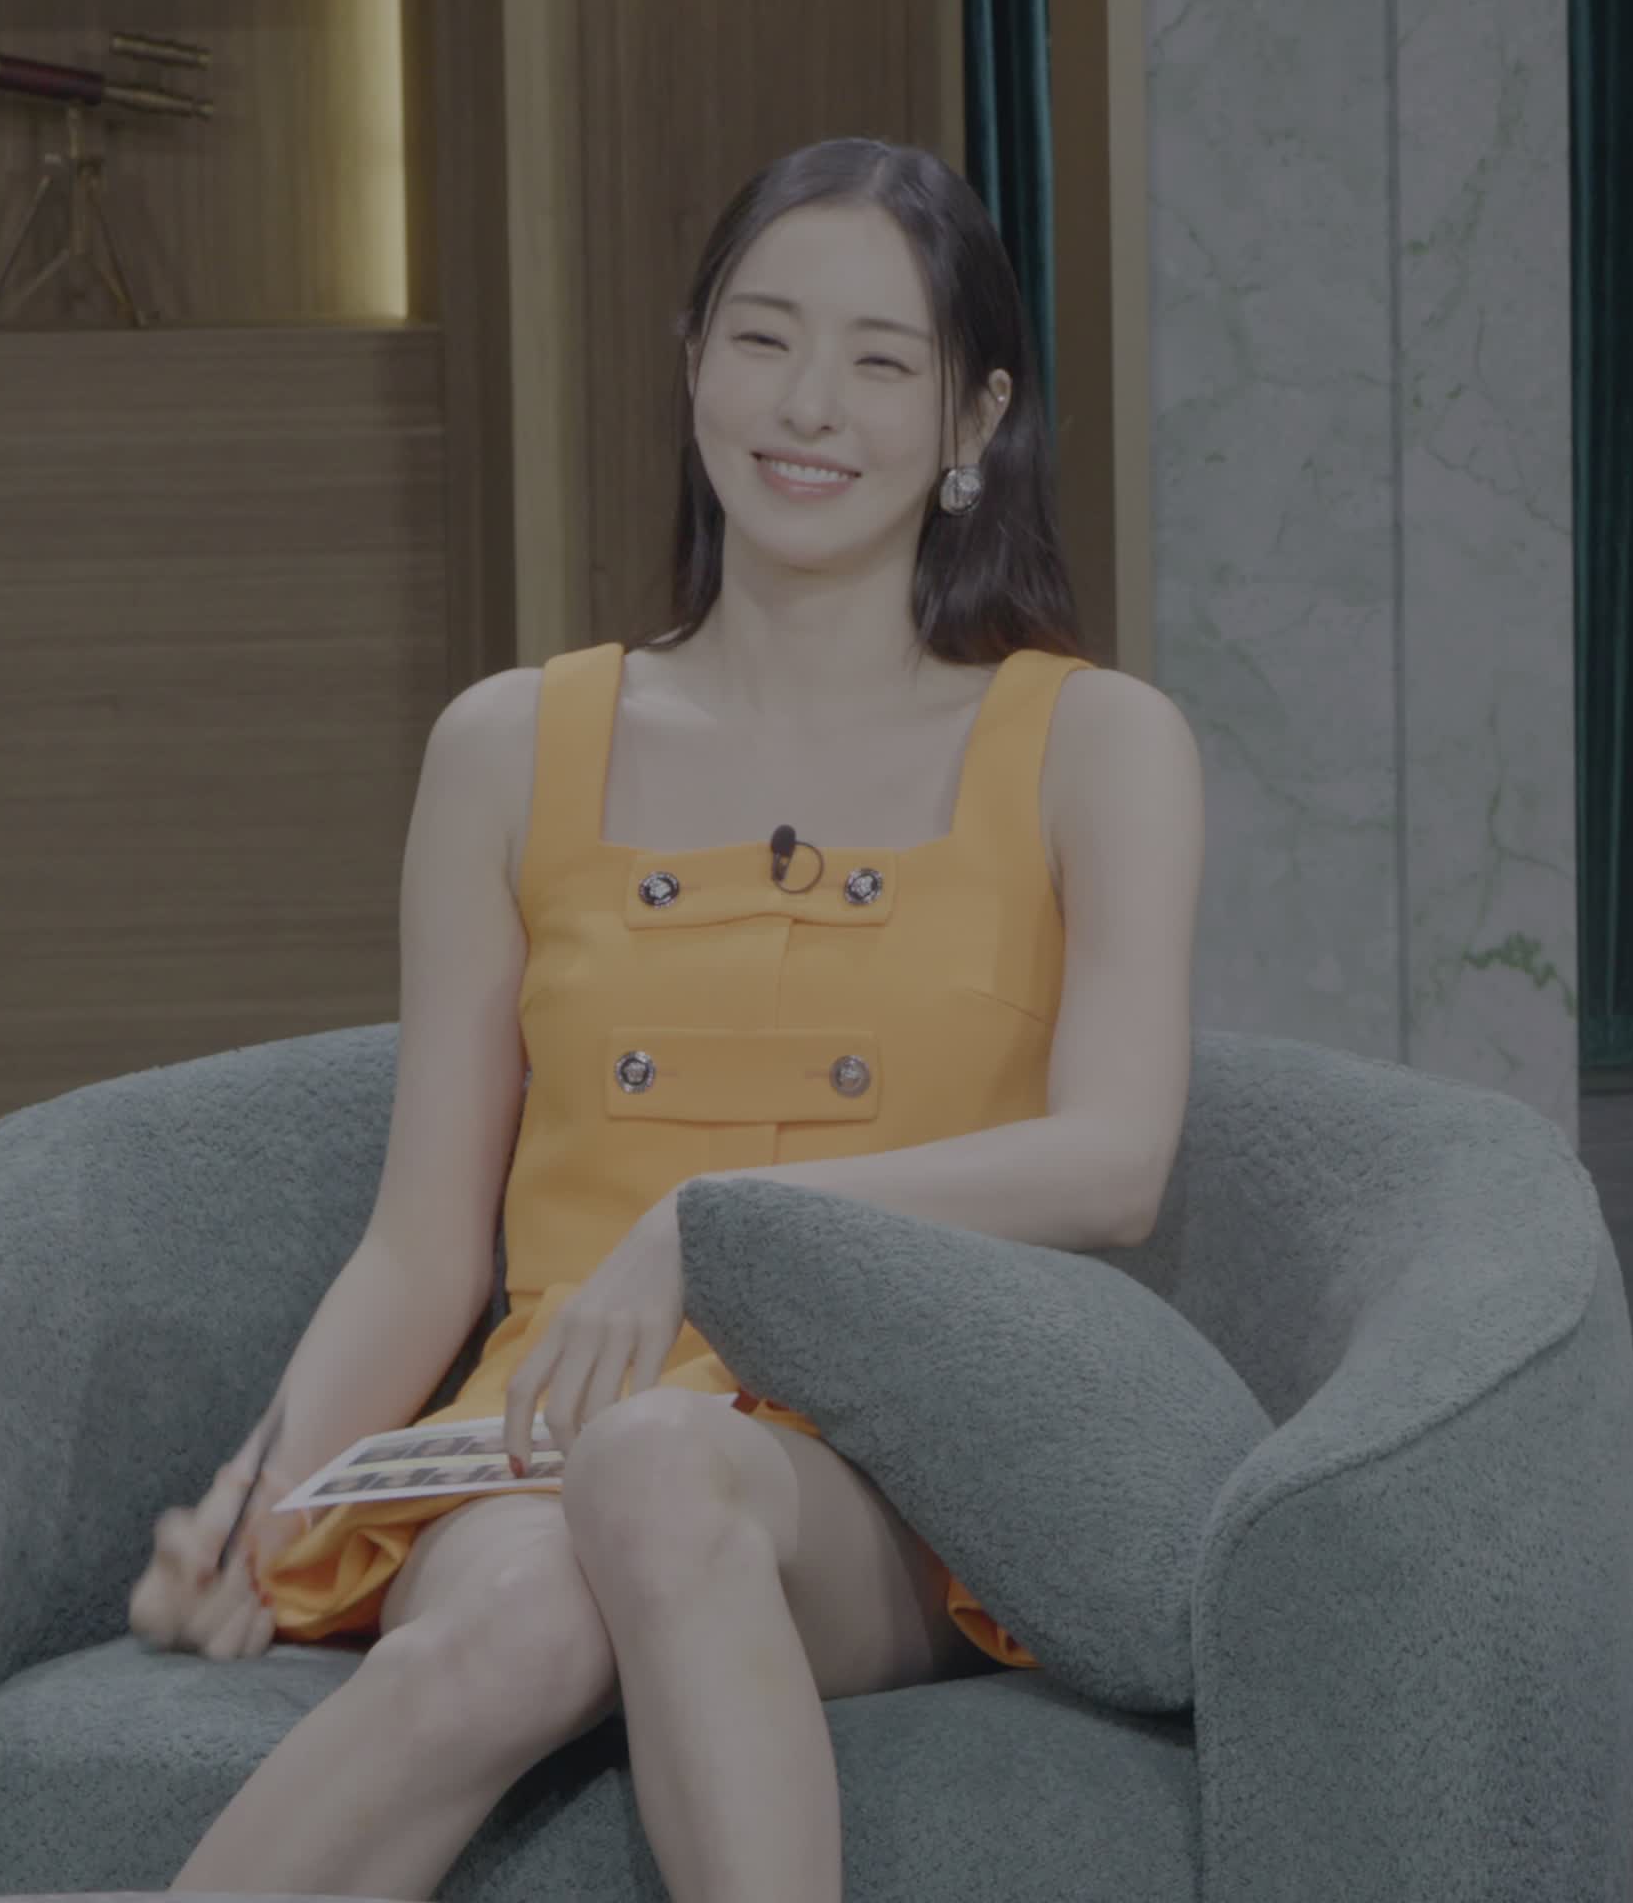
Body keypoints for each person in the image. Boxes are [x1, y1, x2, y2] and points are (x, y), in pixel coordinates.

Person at [120, 137, 1206, 1901]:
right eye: (764, 338)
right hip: (537, 1439)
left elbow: (1116, 1162)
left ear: (974, 418)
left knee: (658, 1473)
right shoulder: (505, 746)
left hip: (886, 1447)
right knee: (517, 1617)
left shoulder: (1097, 744)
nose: (809, 404)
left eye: (882, 361)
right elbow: (421, 1246)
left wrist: (715, 1227)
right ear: (694, 358)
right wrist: (258, 1495)